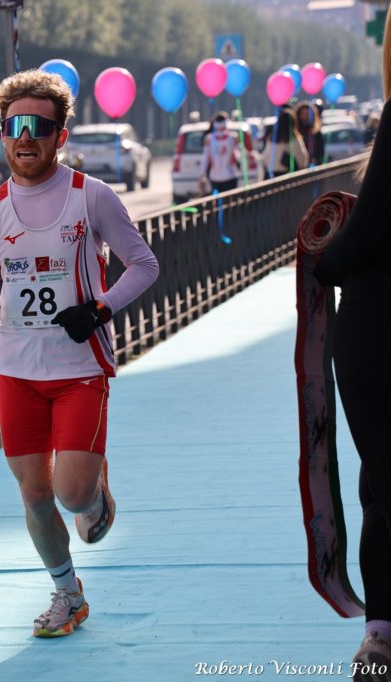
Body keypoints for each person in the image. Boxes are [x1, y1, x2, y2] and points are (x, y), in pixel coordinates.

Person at [0, 69, 158, 638]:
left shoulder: (92, 197)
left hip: (78, 368)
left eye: (39, 127)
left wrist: (100, 309)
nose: (26, 137)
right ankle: (67, 595)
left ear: (61, 135)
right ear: (3, 134)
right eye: (14, 126)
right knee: (34, 493)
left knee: (71, 495)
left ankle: (92, 488)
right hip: (15, 370)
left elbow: (144, 265)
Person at [314, 10, 391, 679]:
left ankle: (381, 636)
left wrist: (323, 261)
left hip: (381, 326)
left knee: (382, 483)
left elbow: (368, 236)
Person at [198, 111, 242, 195]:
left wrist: (201, 175)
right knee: (230, 200)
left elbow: (204, 159)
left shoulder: (209, 138)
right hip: (229, 176)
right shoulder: (233, 137)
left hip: (217, 177)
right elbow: (240, 154)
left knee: (218, 200)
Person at [263, 107, 309, 177]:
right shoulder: (294, 139)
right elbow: (302, 158)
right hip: (289, 176)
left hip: (272, 176)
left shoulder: (271, 139)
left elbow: (265, 157)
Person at [295, 100, 326, 167]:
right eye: (303, 114)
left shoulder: (316, 133)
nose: (305, 117)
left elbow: (320, 152)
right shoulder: (295, 134)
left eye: (307, 114)